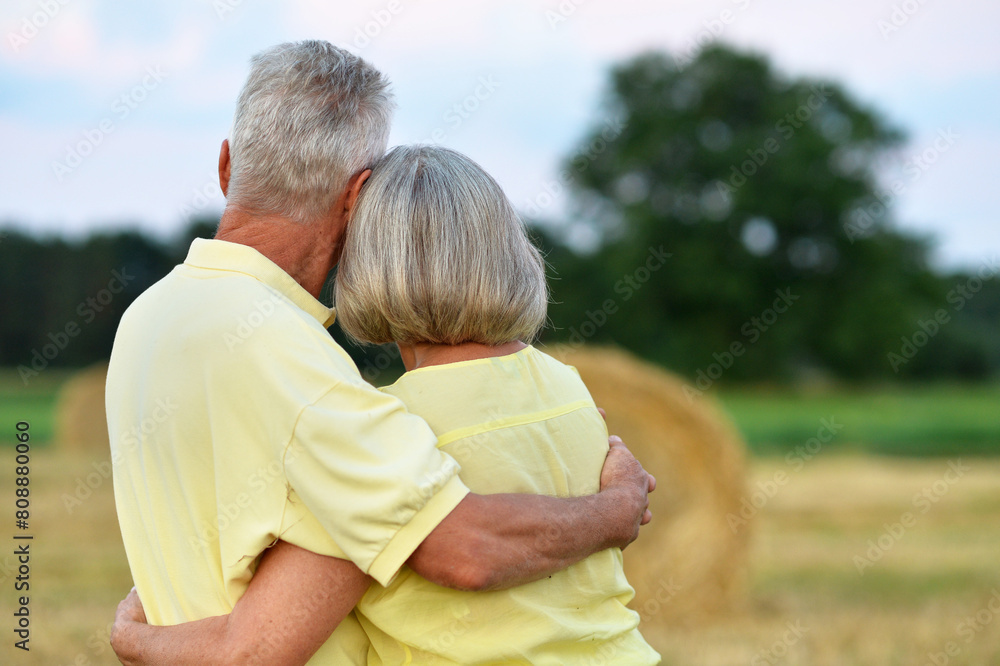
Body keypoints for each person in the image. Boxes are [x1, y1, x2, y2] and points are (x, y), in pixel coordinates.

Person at [107, 41, 655, 665]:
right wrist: (616, 510)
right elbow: (463, 547)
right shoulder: (288, 353)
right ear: (358, 194)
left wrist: (138, 637)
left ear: (227, 166)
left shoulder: (145, 318)